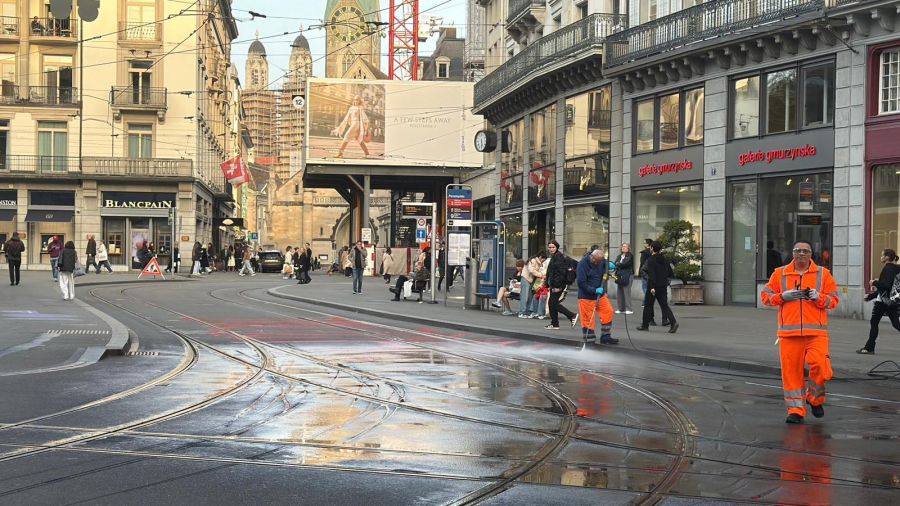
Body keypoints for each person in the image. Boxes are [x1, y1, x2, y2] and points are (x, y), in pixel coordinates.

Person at [761, 241, 839, 424]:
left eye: (805, 251)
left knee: (821, 367)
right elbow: (765, 297)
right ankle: (796, 410)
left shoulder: (823, 273)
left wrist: (818, 297)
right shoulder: (780, 273)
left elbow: (834, 300)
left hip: (816, 333)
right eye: (797, 250)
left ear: (811, 254)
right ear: (792, 253)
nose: (801, 254)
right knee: (791, 373)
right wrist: (782, 297)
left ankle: (815, 399)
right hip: (789, 334)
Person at [858, 248, 900, 354]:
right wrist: (871, 296)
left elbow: (886, 286)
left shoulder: (888, 268)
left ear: (887, 257)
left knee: (874, 322)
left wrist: (874, 282)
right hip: (891, 301)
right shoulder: (896, 269)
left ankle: (869, 348)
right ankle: (869, 347)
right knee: (896, 324)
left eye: (882, 255)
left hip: (882, 302)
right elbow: (888, 289)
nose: (881, 257)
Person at [577, 249, 619, 345]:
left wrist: (609, 264)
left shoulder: (600, 261)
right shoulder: (582, 265)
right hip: (586, 296)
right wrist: (594, 290)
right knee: (588, 319)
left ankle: (605, 336)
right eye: (596, 261)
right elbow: (581, 283)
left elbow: (605, 263)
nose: (597, 263)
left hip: (600, 295)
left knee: (608, 311)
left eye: (599, 261)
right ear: (591, 257)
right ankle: (589, 340)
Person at [637, 241, 678, 333]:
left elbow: (652, 274)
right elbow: (670, 272)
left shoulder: (651, 260)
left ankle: (645, 325)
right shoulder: (664, 259)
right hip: (663, 286)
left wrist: (652, 287)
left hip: (653, 286)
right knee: (664, 306)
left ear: (651, 248)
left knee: (648, 305)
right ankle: (673, 322)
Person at [544, 240, 578, 330]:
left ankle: (572, 316)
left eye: (553, 247)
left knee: (553, 304)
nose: (551, 249)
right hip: (554, 284)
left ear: (557, 247)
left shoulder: (559, 257)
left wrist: (557, 286)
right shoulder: (555, 256)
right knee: (551, 303)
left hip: (558, 285)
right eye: (550, 247)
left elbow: (560, 273)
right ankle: (555, 324)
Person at [520, 252, 546, 318]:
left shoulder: (538, 263)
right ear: (540, 257)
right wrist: (541, 275)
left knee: (529, 297)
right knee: (524, 297)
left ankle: (527, 312)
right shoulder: (533, 260)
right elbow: (531, 270)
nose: (543, 261)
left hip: (530, 280)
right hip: (525, 279)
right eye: (543, 259)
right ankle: (522, 312)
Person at [614, 242, 634, 314]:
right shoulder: (619, 256)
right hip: (619, 275)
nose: (623, 247)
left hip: (628, 275)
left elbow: (626, 264)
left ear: (628, 248)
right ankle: (620, 308)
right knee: (619, 291)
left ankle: (629, 309)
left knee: (626, 291)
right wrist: (618, 264)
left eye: (625, 246)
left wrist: (618, 264)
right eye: (622, 246)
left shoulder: (630, 256)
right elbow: (615, 263)